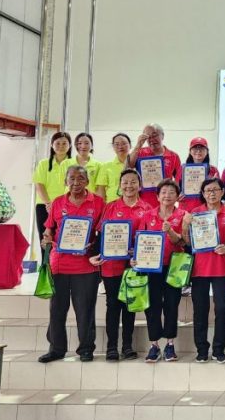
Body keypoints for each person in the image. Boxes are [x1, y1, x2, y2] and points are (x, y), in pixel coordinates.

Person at [38, 165, 104, 363]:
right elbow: (49, 229)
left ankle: (86, 349)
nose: (76, 183)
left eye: (81, 178)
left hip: (86, 265)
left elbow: (103, 232)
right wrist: (46, 239)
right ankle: (56, 349)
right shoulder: (58, 202)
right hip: (59, 263)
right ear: (66, 181)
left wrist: (94, 246)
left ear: (87, 181)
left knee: (85, 310)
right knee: (57, 309)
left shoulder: (98, 202)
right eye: (72, 179)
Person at [89, 169, 150, 361]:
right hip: (111, 265)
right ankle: (111, 347)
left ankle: (127, 346)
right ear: (119, 185)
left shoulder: (147, 208)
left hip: (134, 264)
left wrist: (137, 250)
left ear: (140, 185)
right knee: (113, 304)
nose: (129, 186)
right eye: (125, 182)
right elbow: (101, 234)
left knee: (129, 304)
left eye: (133, 182)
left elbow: (150, 238)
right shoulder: (111, 207)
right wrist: (96, 254)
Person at [134, 179, 188, 362]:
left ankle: (170, 344)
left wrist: (171, 231)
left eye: (172, 192)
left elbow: (184, 242)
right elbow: (140, 241)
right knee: (152, 306)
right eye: (163, 192)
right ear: (157, 196)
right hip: (151, 268)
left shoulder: (183, 215)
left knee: (172, 304)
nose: (167, 196)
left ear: (177, 197)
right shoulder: (147, 215)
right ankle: (154, 345)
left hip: (175, 267)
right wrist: (135, 258)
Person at [182, 177, 225, 363]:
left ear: (222, 191)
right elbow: (187, 241)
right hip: (200, 269)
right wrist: (185, 224)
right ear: (203, 194)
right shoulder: (195, 213)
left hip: (222, 269)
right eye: (208, 191)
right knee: (200, 310)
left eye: (215, 190)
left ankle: (219, 350)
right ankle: (202, 350)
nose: (212, 193)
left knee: (222, 309)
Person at [32, 132, 72, 249]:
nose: (61, 146)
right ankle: (46, 261)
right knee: (46, 240)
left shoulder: (73, 163)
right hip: (44, 206)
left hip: (67, 206)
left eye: (64, 143)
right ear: (51, 145)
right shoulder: (43, 163)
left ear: (70, 146)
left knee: (65, 239)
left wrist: (61, 204)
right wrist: (48, 204)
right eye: (57, 143)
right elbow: (39, 184)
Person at [129, 124, 182, 208]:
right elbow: (129, 166)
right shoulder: (140, 152)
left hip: (165, 202)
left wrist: (179, 193)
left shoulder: (174, 156)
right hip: (143, 202)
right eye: (148, 137)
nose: (152, 140)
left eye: (154, 135)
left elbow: (179, 179)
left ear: (162, 136)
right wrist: (138, 145)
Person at [180, 137, 220, 213]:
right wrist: (177, 196)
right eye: (195, 148)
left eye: (202, 148)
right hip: (186, 209)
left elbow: (218, 192)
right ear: (190, 151)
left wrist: (214, 185)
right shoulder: (182, 169)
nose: (198, 151)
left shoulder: (214, 170)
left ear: (207, 152)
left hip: (207, 210)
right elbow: (176, 188)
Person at [96, 133, 132, 203]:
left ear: (130, 145)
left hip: (133, 205)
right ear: (113, 147)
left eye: (124, 143)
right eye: (117, 144)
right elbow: (101, 191)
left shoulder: (137, 164)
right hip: (112, 205)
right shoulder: (106, 166)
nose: (120, 146)